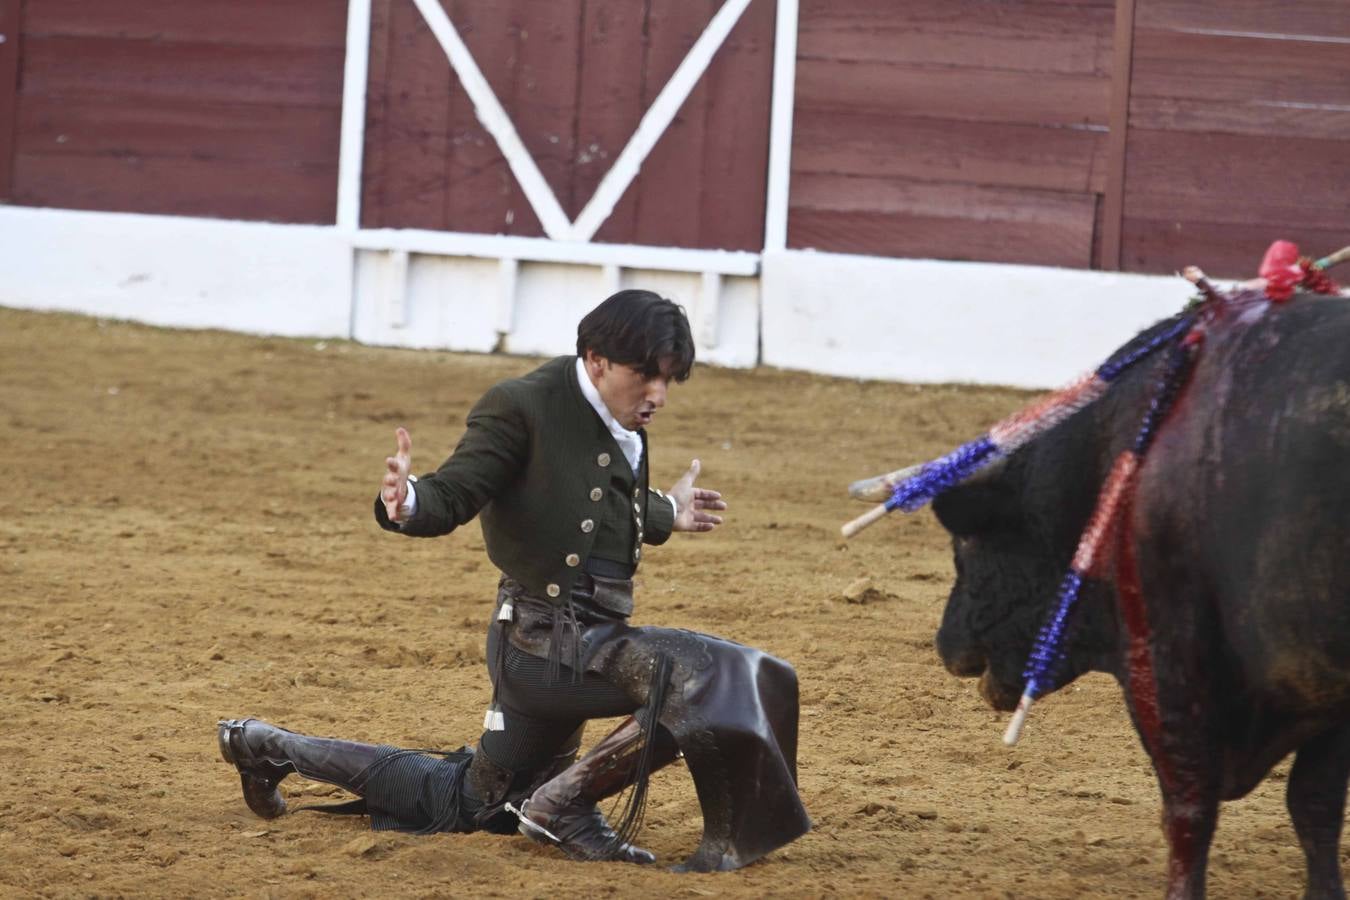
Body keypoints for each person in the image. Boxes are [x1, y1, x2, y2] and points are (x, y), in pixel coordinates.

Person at [218, 290, 810, 871]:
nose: (657, 395)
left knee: (477, 804)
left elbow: (590, 499)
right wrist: (406, 499)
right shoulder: (521, 404)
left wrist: (664, 513)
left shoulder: (619, 412)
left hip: (585, 648)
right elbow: (454, 493)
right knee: (706, 674)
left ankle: (266, 746)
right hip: (540, 647)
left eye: (669, 379)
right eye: (645, 375)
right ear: (597, 359)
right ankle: (567, 805)